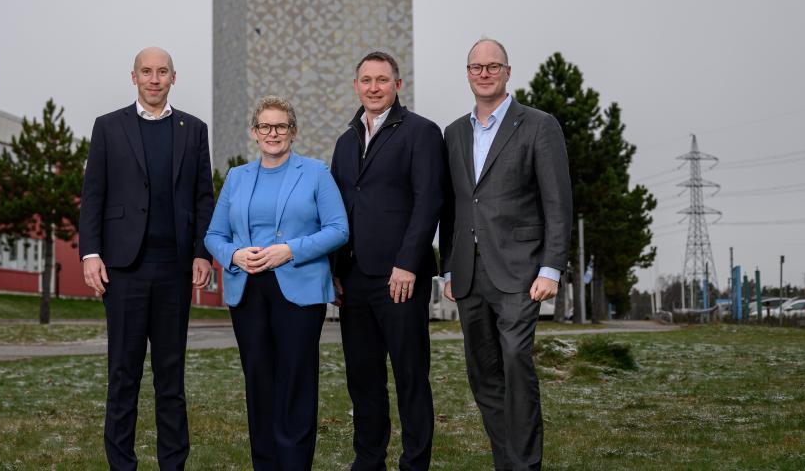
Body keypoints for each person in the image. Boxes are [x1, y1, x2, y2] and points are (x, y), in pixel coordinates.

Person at [79, 46, 215, 471]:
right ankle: (122, 464)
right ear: (133, 77)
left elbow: (202, 197)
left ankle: (172, 463)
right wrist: (90, 253)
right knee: (123, 375)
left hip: (175, 269)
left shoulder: (193, 129)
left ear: (174, 78)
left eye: (162, 72)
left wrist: (202, 252)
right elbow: (94, 196)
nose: (154, 79)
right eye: (146, 71)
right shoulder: (108, 127)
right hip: (123, 270)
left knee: (170, 378)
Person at [440, 38, 572, 470]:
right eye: (476, 67)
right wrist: (447, 270)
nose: (484, 73)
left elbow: (557, 202)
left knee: (516, 361)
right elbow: (453, 205)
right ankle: (507, 461)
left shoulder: (538, 125)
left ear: (508, 72)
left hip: (521, 270)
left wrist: (551, 268)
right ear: (467, 73)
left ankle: (525, 464)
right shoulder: (454, 132)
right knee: (482, 373)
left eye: (492, 66)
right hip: (469, 273)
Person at [204, 96, 349, 470]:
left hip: (298, 291)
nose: (273, 133)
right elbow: (214, 235)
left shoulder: (315, 172)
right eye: (265, 127)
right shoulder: (237, 177)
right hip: (248, 291)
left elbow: (339, 229)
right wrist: (233, 255)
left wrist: (290, 250)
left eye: (281, 126)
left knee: (295, 383)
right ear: (254, 133)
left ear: (293, 131)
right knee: (259, 384)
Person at [330, 51, 445, 471]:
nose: (374, 87)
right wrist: (335, 271)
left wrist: (409, 262)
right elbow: (337, 210)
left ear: (398, 84)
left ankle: (415, 463)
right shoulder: (345, 142)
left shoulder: (421, 132)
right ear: (356, 85)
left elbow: (428, 201)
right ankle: (368, 460)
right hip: (354, 279)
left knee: (411, 377)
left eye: (382, 79)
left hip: (401, 278)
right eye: (366, 80)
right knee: (363, 380)